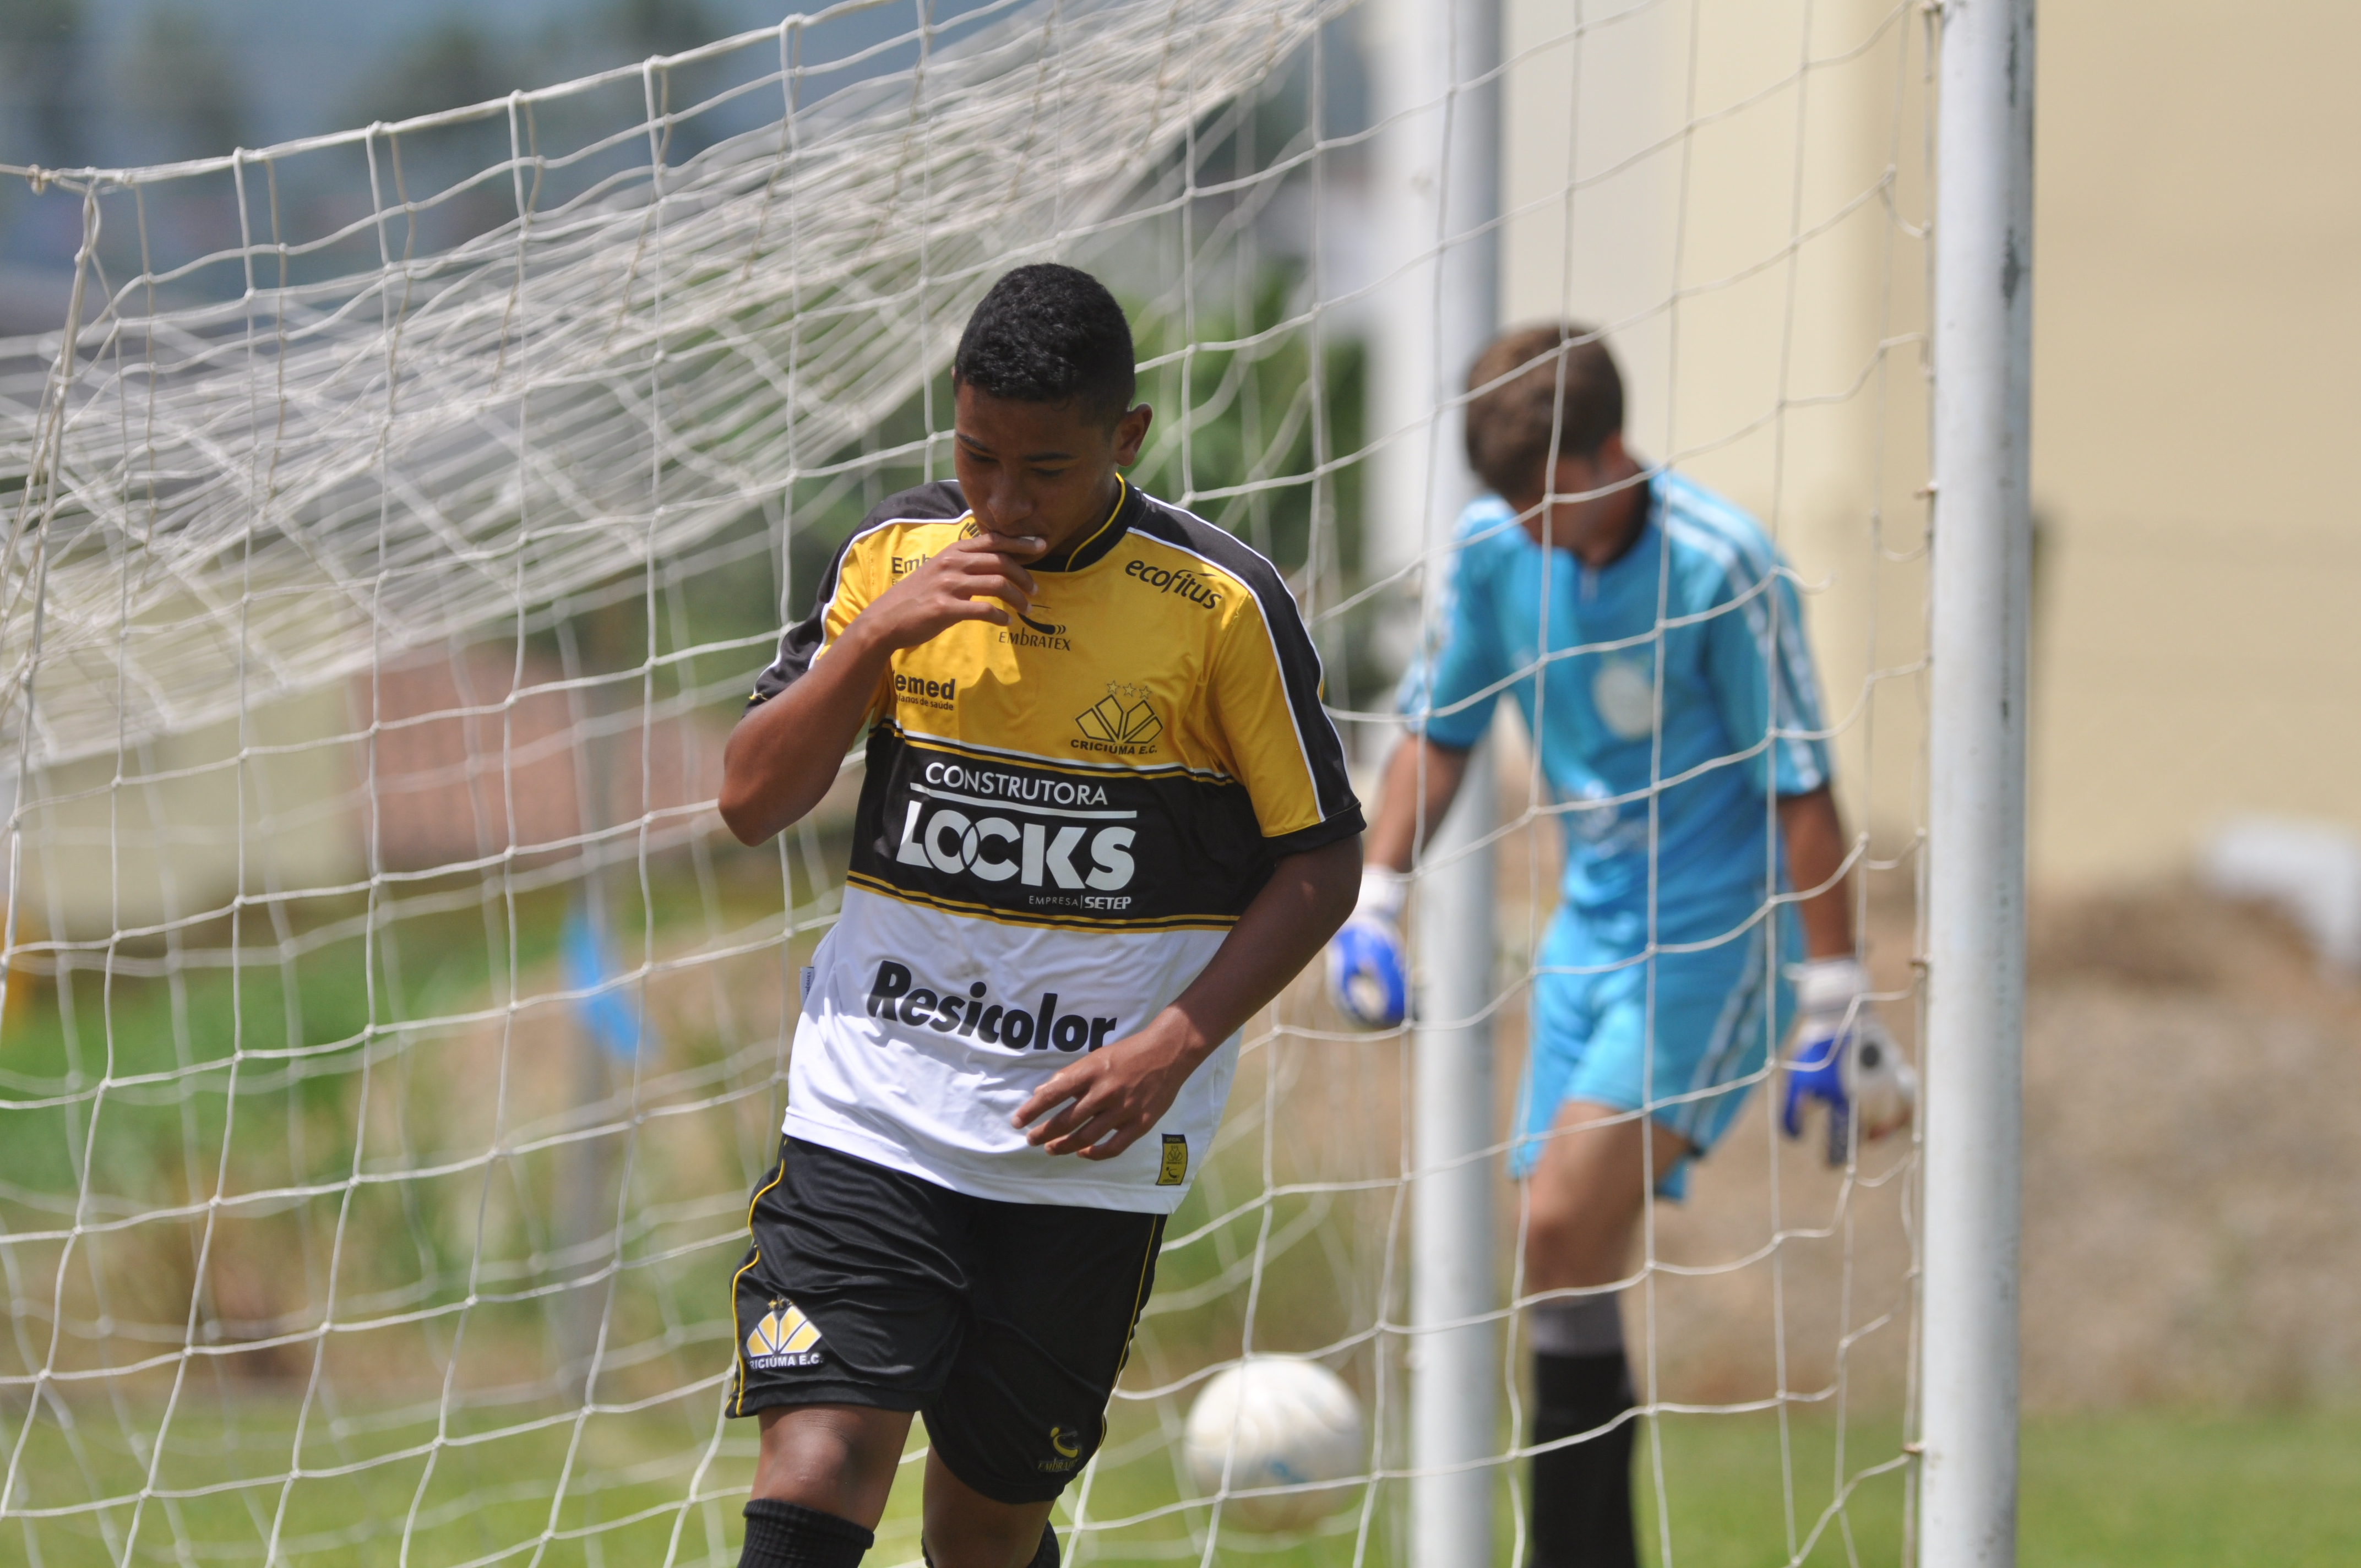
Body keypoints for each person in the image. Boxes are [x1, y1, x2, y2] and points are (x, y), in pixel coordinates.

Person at [717, 264, 1364, 1568]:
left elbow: (1320, 861)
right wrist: (871, 641)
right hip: (874, 1107)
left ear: (1126, 437)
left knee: (983, 1530)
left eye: (1044, 470)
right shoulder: (892, 558)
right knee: (820, 1459)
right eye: (976, 456)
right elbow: (747, 800)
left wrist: (1173, 1041)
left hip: (1086, 1141)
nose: (1001, 502)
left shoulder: (1219, 606)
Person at [1323, 323, 1913, 1566]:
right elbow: (1439, 729)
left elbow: (1800, 781)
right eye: (1507, 501)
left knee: (1563, 1215)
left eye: (1542, 497)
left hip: (1717, 932)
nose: (1525, 524)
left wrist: (1834, 996)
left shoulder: (1721, 565)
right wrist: (1376, 896)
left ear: (1608, 455)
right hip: (1588, 930)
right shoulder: (1497, 551)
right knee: (1560, 1251)